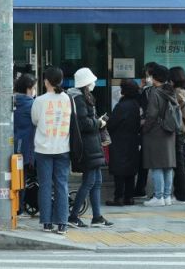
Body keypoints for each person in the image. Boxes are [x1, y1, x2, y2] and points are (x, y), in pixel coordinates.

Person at [67, 68, 113, 228]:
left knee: (97, 181)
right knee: (89, 181)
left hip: (92, 144)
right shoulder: (79, 99)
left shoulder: (82, 97)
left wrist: (97, 122)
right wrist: (99, 123)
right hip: (87, 146)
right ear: (86, 82)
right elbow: (84, 123)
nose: (94, 83)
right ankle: (73, 216)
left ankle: (97, 217)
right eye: (92, 81)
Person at [31, 67, 73, 235]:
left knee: (45, 186)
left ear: (46, 81)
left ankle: (47, 223)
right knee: (62, 185)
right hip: (63, 147)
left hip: (43, 149)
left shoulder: (39, 100)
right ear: (61, 81)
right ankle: (62, 223)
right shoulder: (67, 98)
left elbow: (35, 120)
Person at [141, 65, 179, 207]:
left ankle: (158, 196)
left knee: (156, 165)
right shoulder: (170, 91)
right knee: (168, 166)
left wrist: (144, 129)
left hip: (156, 132)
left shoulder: (155, 92)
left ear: (155, 77)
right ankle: (167, 196)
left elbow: (151, 115)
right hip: (169, 131)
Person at [107, 79, 142, 206]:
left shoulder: (121, 106)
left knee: (119, 170)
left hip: (119, 140)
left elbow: (112, 124)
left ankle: (119, 198)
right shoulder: (136, 105)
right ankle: (129, 197)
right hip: (133, 140)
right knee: (130, 170)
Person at [134, 62, 160, 199]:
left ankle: (156, 193)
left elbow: (142, 107)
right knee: (149, 161)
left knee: (151, 162)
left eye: (148, 75)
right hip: (157, 131)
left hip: (151, 130)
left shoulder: (151, 91)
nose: (146, 78)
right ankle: (144, 189)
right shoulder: (151, 90)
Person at [169, 66, 185, 204]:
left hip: (180, 131)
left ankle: (181, 195)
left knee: (179, 164)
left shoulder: (177, 92)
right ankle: (184, 195)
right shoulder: (184, 91)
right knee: (183, 164)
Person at [13, 73, 37, 167]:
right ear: (28, 89)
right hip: (27, 146)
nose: (35, 91)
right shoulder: (32, 104)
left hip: (12, 144)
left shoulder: (11, 101)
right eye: (34, 88)